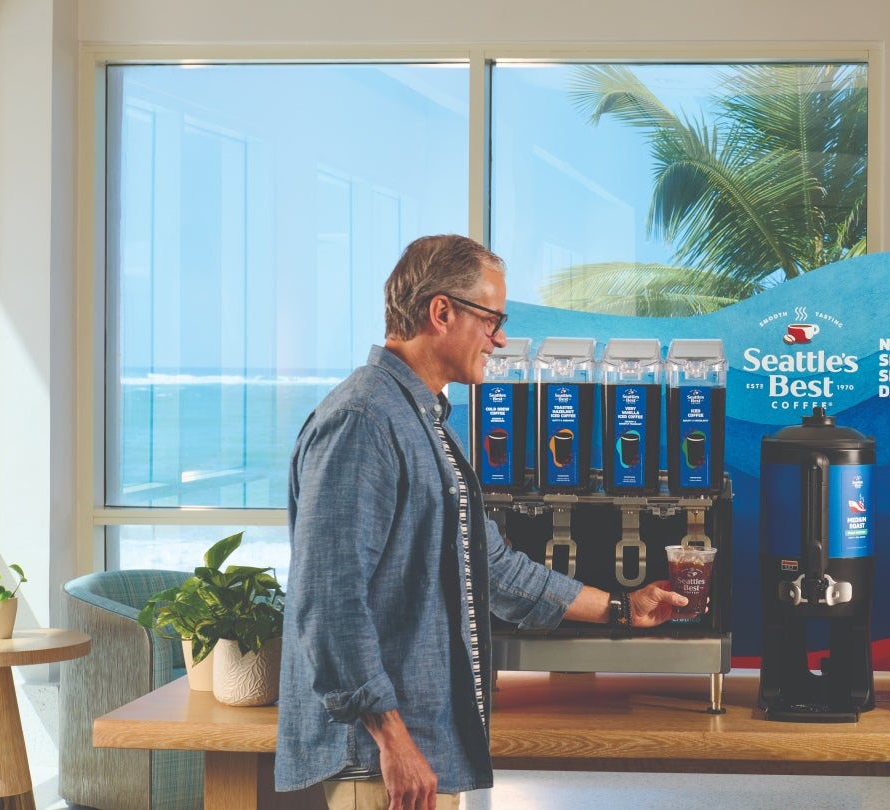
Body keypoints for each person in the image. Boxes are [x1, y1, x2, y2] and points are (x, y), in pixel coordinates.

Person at [276, 234, 689, 810]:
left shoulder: (422, 418)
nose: (499, 339)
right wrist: (392, 738)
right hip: (379, 764)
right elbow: (328, 599)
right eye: (491, 318)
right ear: (441, 312)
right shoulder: (363, 422)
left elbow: (491, 566)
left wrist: (621, 607)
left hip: (419, 751)